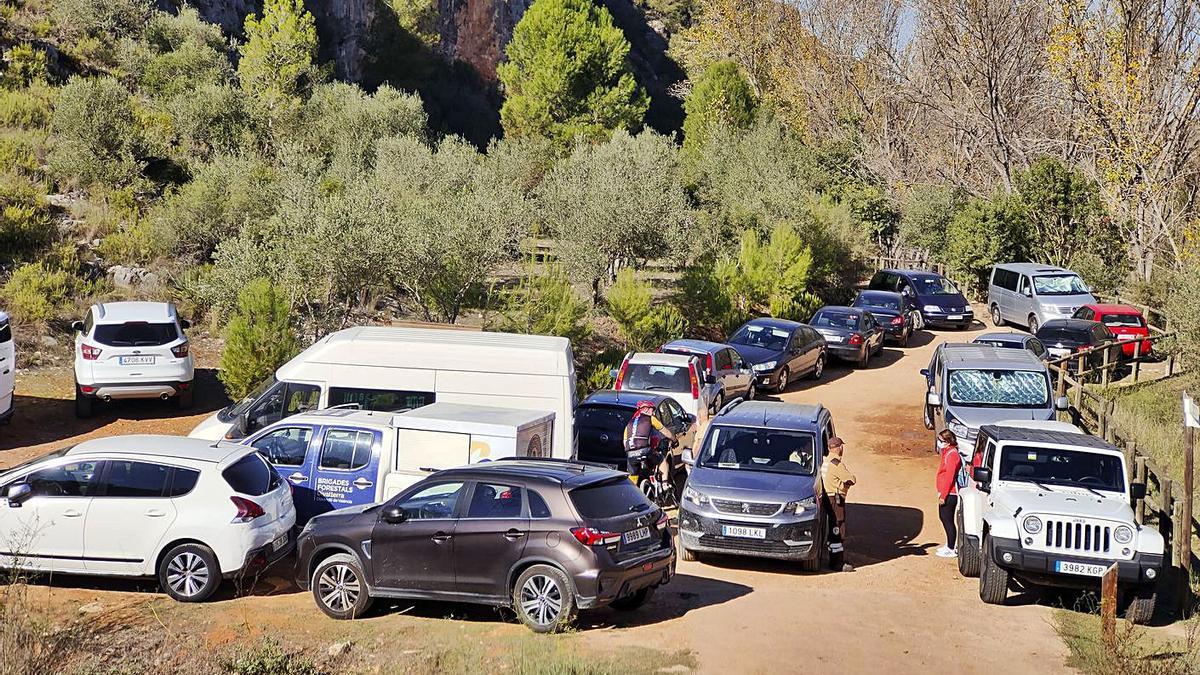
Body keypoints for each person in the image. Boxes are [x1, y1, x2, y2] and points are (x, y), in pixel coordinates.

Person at [820, 436, 856, 572]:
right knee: (838, 529)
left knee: (832, 530)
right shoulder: (836, 464)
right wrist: (851, 480)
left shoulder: (825, 462)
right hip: (836, 499)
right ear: (839, 447)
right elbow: (850, 479)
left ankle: (834, 559)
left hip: (828, 499)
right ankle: (837, 563)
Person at [623, 400, 676, 481]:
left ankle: (634, 490)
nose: (653, 412)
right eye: (652, 409)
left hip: (630, 454)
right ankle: (665, 484)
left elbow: (625, 442)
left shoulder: (629, 423)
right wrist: (674, 439)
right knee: (662, 461)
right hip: (645, 451)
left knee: (633, 475)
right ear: (646, 409)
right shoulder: (650, 418)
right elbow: (665, 431)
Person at [935, 429, 963, 558]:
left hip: (950, 494)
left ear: (947, 441)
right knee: (944, 518)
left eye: (941, 441)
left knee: (947, 520)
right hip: (945, 492)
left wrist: (944, 495)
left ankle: (951, 548)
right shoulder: (947, 453)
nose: (939, 443)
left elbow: (949, 478)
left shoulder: (952, 455)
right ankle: (948, 544)